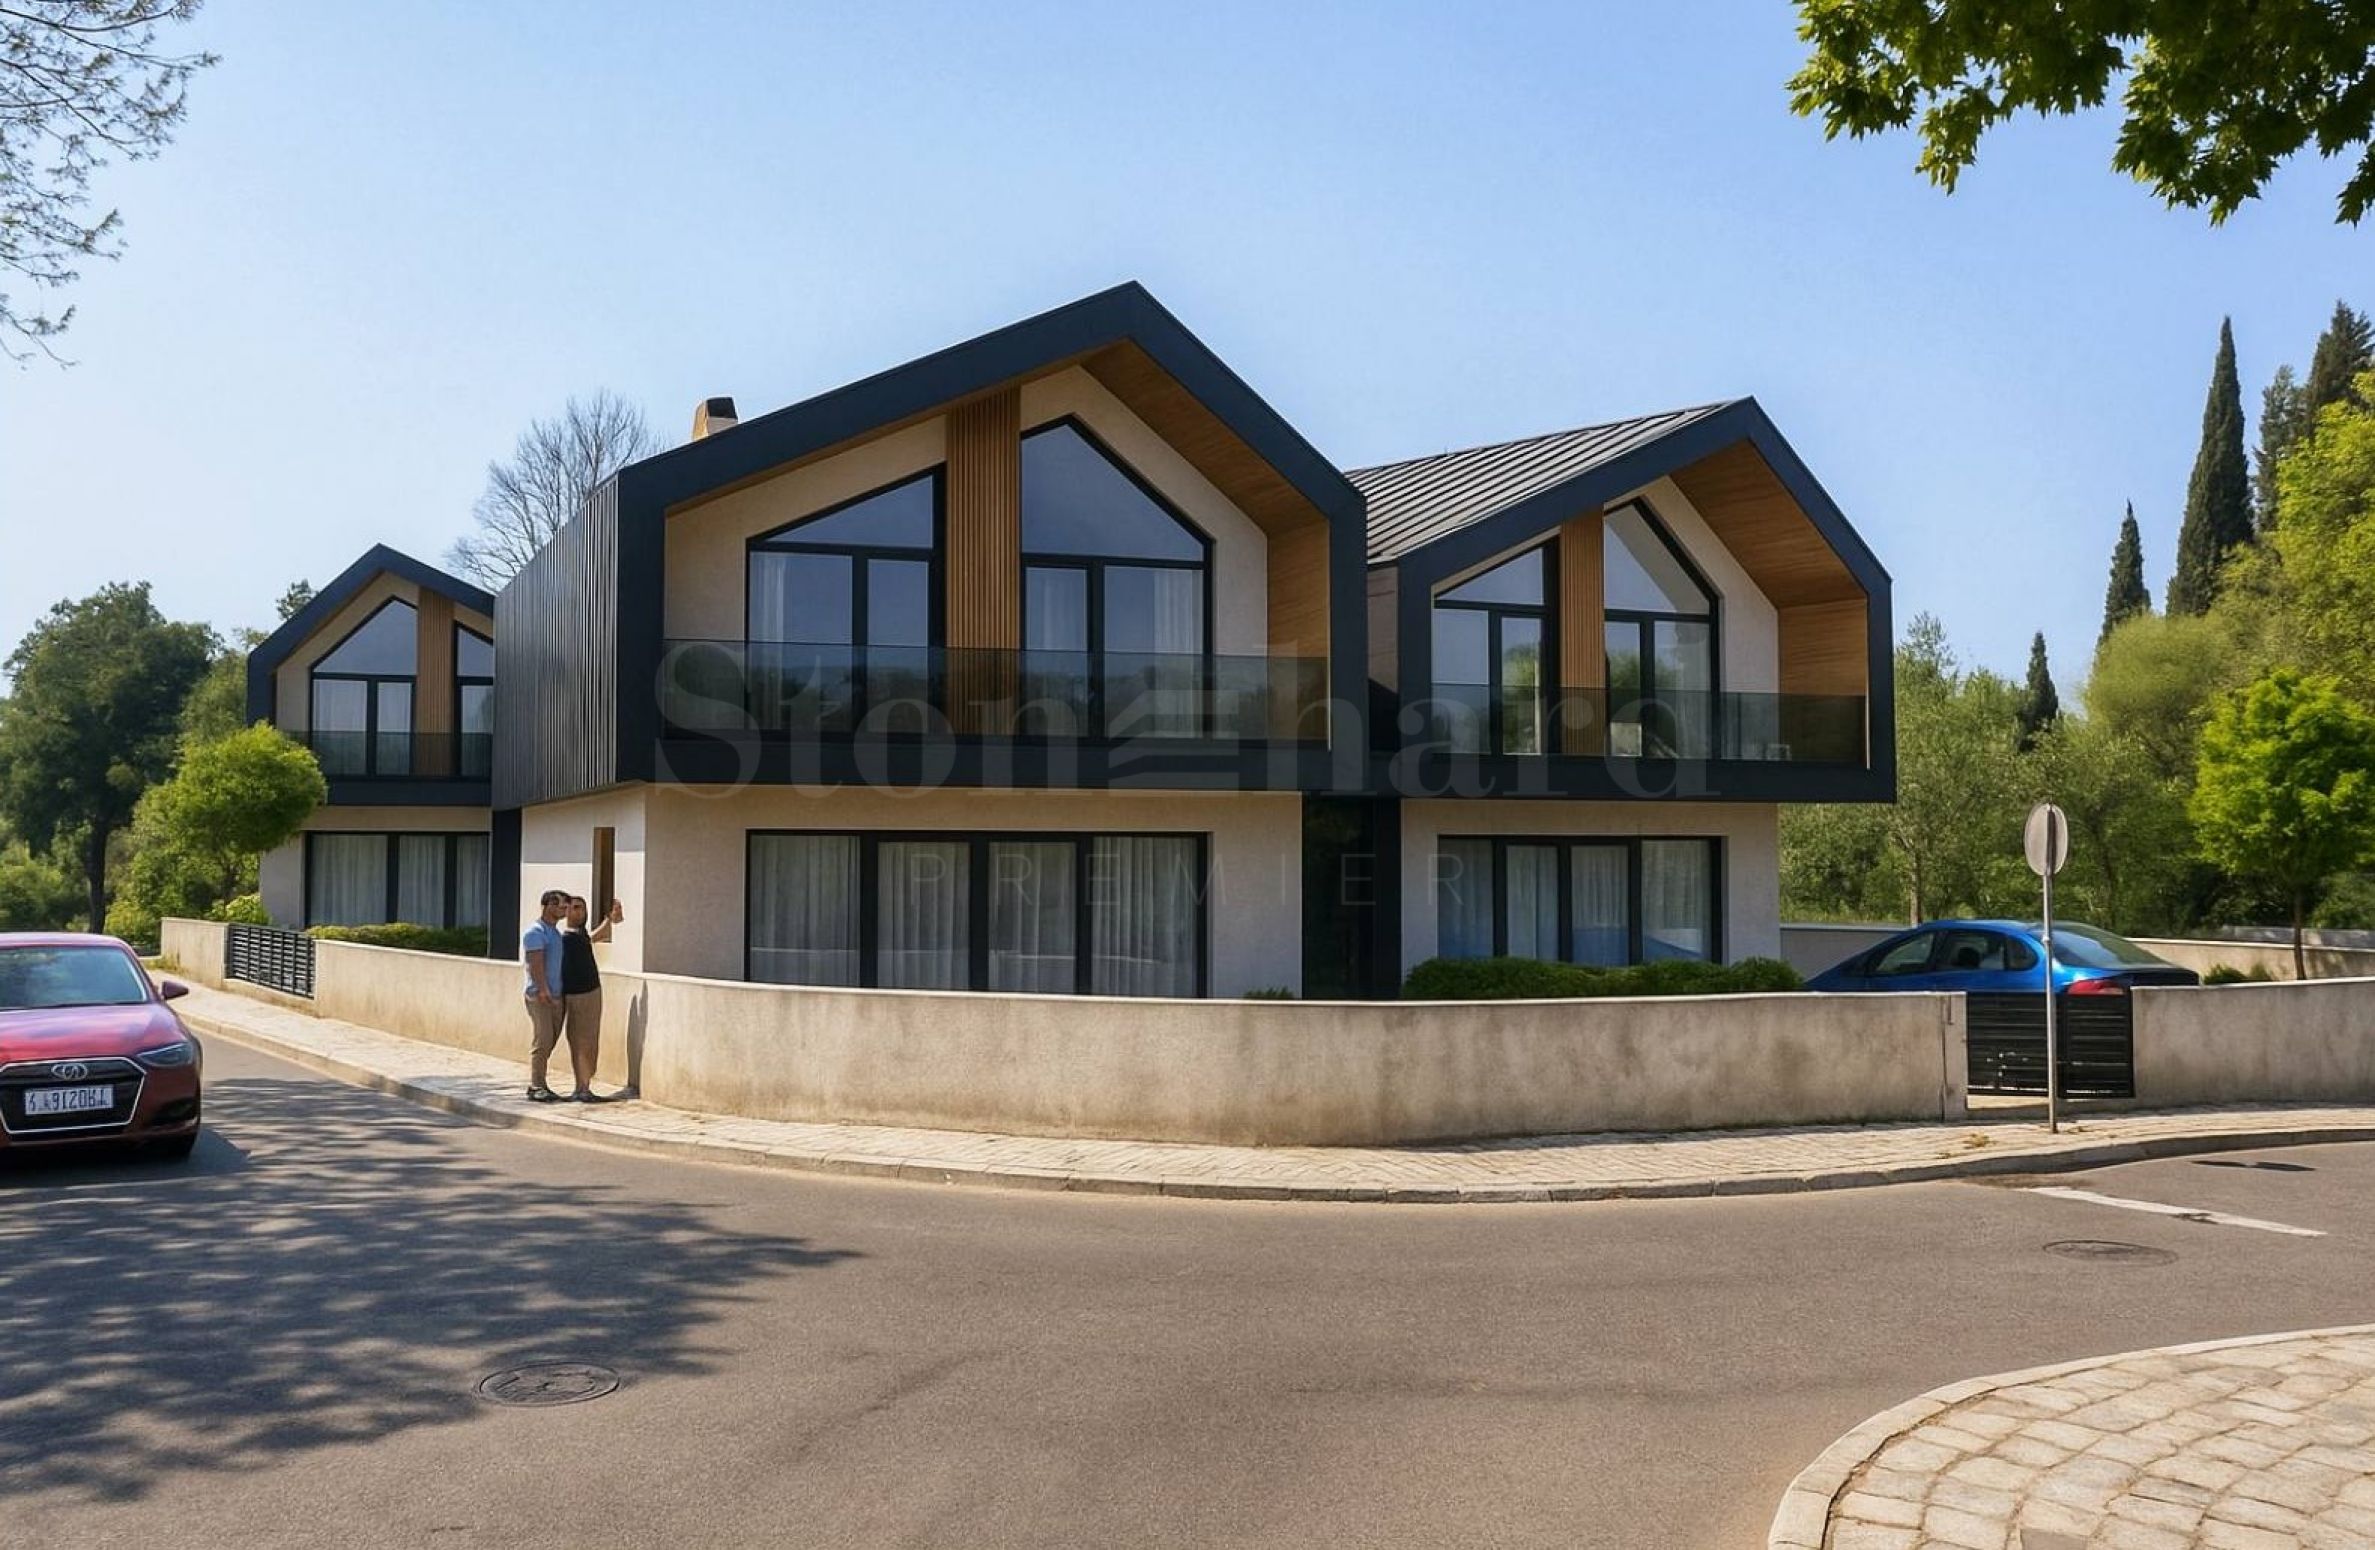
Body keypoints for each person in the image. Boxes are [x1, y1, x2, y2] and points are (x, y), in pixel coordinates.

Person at [559, 893, 624, 1103]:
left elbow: (595, 936)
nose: (579, 912)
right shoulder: (565, 939)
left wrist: (610, 919)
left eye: (582, 907)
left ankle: (583, 1087)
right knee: (579, 1041)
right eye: (574, 907)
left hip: (590, 992)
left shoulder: (579, 936)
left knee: (589, 1040)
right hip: (576, 994)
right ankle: (582, 1087)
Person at [522, 890, 569, 1103]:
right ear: (547, 906)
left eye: (565, 906)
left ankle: (541, 1082)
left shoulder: (555, 933)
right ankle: (536, 1085)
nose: (563, 910)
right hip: (540, 996)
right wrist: (542, 989)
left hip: (557, 995)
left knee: (551, 1039)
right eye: (559, 906)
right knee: (542, 1039)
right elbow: (535, 963)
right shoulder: (535, 932)